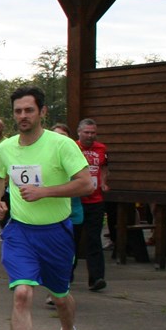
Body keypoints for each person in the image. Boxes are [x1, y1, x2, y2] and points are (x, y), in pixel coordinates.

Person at [0, 87, 93, 330]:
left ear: (42, 112)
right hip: (20, 231)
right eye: (18, 111)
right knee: (22, 293)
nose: (23, 116)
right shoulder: (7, 147)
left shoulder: (61, 145)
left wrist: (45, 192)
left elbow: (86, 183)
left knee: (61, 297)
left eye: (29, 110)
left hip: (56, 234)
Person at [47, 123, 85, 302]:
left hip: (73, 214)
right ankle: (53, 290)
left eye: (63, 136)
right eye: (55, 135)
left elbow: (86, 185)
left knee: (70, 255)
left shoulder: (73, 157)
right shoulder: (45, 158)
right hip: (50, 216)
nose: (58, 139)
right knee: (50, 256)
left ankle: (62, 286)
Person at [76, 118, 109, 291]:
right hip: (77, 201)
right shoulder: (73, 147)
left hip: (96, 201)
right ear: (79, 132)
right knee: (72, 240)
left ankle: (97, 278)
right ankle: (66, 276)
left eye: (93, 133)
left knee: (94, 239)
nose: (90, 136)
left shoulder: (101, 149)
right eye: (86, 132)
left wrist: (103, 182)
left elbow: (104, 167)